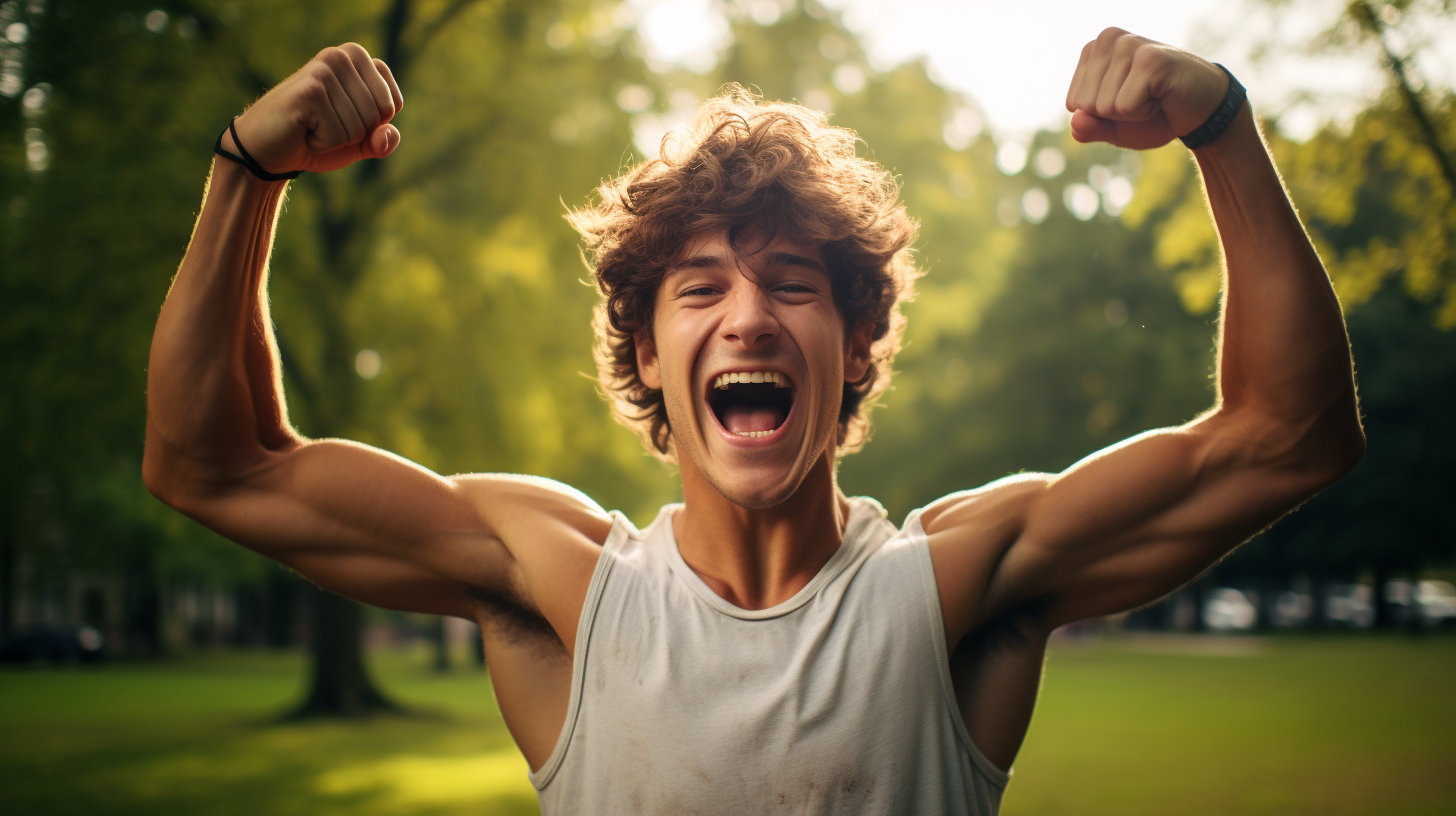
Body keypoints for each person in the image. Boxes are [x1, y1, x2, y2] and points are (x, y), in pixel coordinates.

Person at [144, 28, 1364, 815]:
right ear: (646, 352)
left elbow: (1285, 435)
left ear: (854, 343)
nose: (749, 319)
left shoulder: (961, 585)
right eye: (700, 290)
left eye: (792, 284)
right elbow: (214, 465)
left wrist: (1222, 126)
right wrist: (246, 174)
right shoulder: (555, 586)